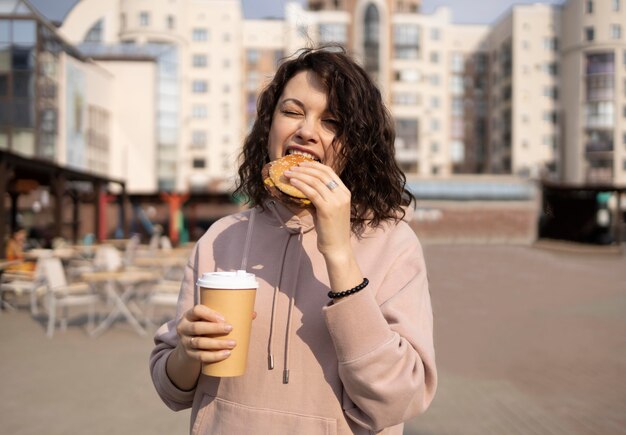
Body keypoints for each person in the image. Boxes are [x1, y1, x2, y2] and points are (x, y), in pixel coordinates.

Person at [150, 46, 437, 434]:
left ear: (356, 146)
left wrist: (338, 253)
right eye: (292, 111)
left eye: (332, 121)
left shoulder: (393, 242)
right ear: (269, 126)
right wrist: (187, 352)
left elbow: (401, 397)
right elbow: (173, 390)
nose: (306, 131)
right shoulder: (222, 237)